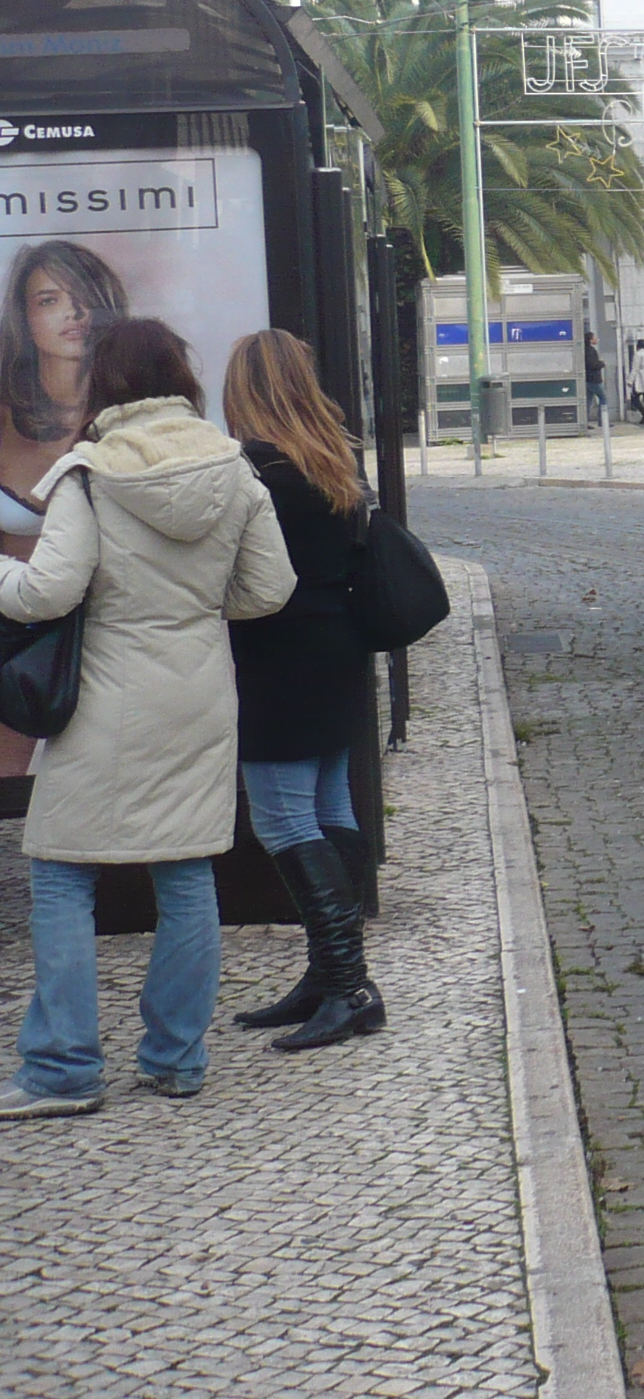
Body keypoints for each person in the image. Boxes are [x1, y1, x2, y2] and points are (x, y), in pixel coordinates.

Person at [0, 318, 295, 1118]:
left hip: (106, 696)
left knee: (61, 873)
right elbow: (270, 588)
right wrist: (196, 613)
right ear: (178, 381)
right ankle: (175, 1059)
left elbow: (44, 593)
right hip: (198, 691)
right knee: (187, 867)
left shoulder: (88, 474)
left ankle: (62, 1070)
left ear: (109, 384)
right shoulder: (232, 469)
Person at [223, 329, 388, 1052]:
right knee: (329, 808)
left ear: (245, 390)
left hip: (279, 659)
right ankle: (327, 977)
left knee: (284, 821)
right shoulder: (333, 460)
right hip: (338, 651)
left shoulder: (255, 469)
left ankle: (349, 986)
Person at [0, 241, 129, 559]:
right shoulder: (2, 422)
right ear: (24, 318)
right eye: (48, 300)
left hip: (117, 606)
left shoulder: (135, 415)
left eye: (85, 297)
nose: (74, 312)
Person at [583, 329, 608, 421]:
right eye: (595, 338)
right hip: (595, 380)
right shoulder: (591, 351)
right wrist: (601, 363)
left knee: (588, 401)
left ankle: (584, 421)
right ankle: (603, 420)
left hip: (587, 379)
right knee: (603, 398)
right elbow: (592, 364)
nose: (597, 339)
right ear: (590, 340)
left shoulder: (584, 349)